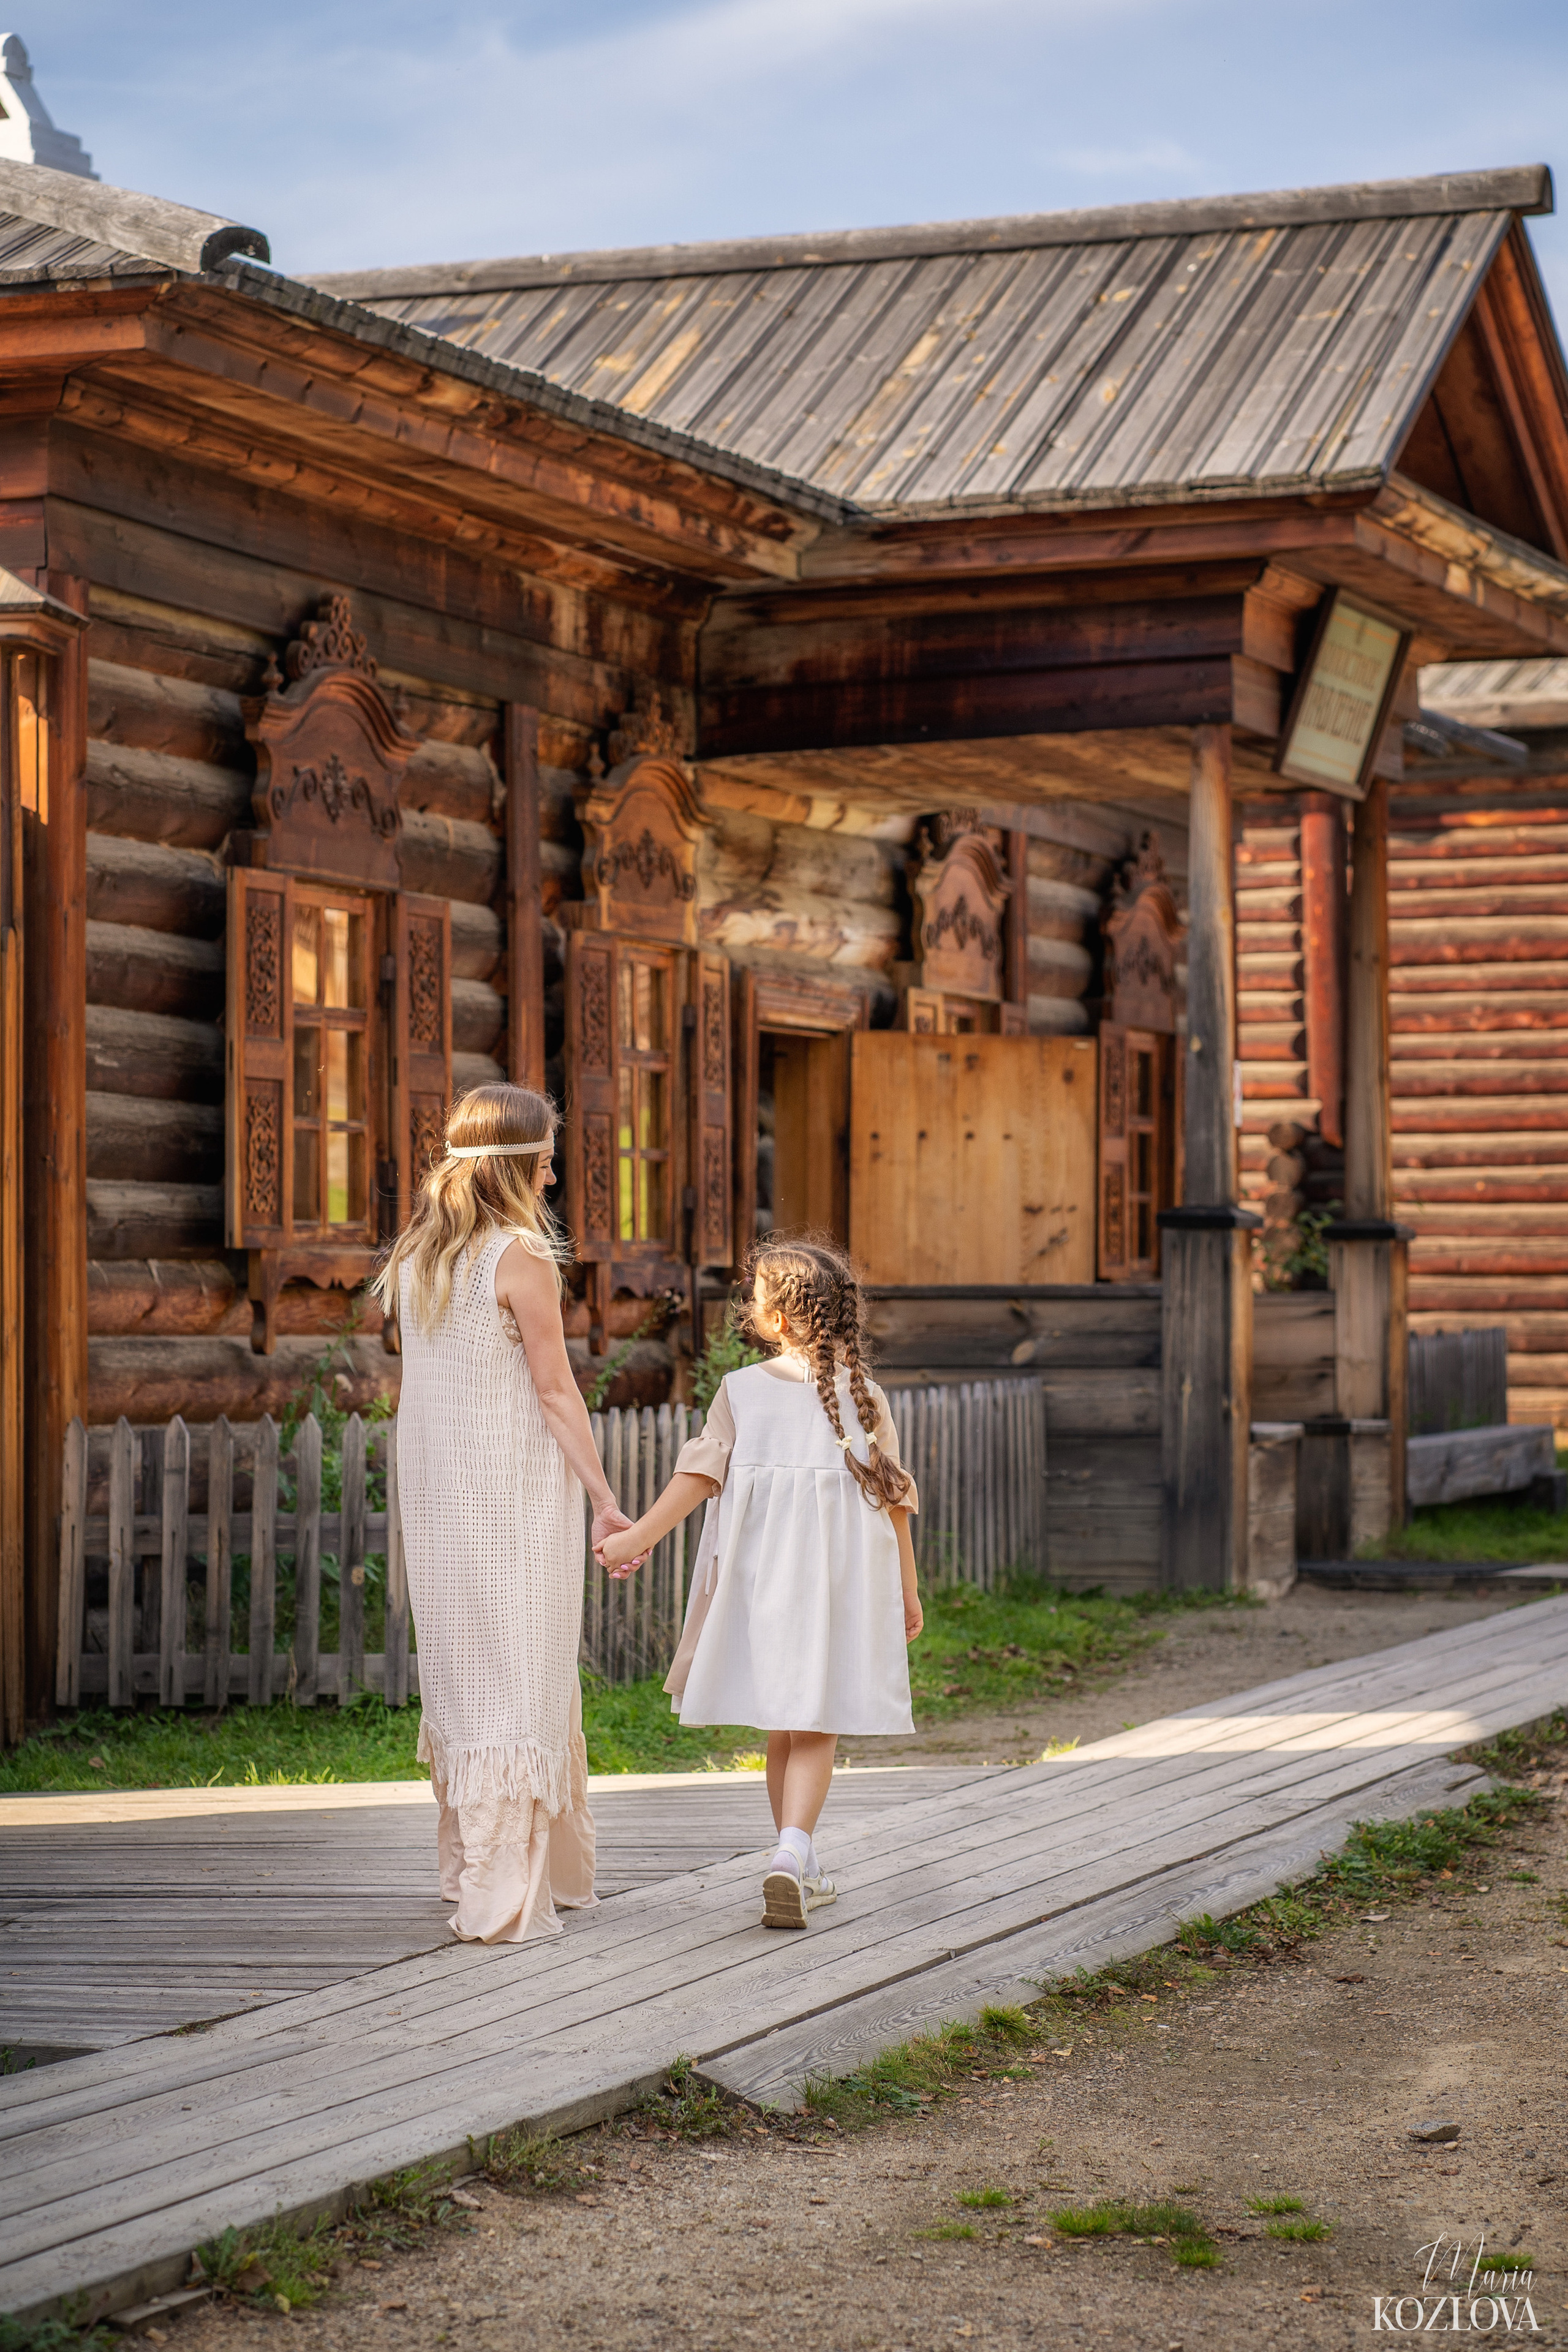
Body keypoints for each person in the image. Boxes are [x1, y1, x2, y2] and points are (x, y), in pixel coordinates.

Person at [595, 1237, 923, 1930]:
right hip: (842, 1584)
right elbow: (894, 1504)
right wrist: (907, 1589)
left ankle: (792, 1859)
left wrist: (634, 1538)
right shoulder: (865, 1396)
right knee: (815, 1720)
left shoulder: (740, 1391)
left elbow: (696, 1479)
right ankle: (793, 1852)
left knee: (787, 1717)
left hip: (764, 1583)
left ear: (774, 1318)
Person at [371, 1083, 635, 1944]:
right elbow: (556, 1393)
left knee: (467, 1669)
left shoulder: (417, 1254)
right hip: (510, 1494)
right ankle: (506, 1889)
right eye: (547, 1152)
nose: (555, 1168)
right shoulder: (522, 1255)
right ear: (518, 1162)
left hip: (439, 1493)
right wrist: (604, 1500)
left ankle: (476, 1871)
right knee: (519, 1668)